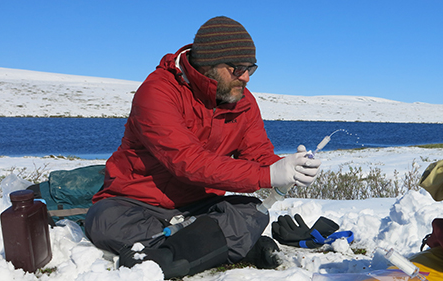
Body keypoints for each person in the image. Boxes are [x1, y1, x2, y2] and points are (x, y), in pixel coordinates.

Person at [84, 16, 322, 279]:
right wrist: (267, 175)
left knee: (251, 212)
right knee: (104, 222)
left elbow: (257, 154)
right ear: (209, 63)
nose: (246, 78)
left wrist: (289, 167)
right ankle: (214, 250)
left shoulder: (243, 102)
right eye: (237, 68)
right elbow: (188, 161)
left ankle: (163, 256)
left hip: (199, 205)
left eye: (251, 69)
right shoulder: (158, 91)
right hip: (136, 203)